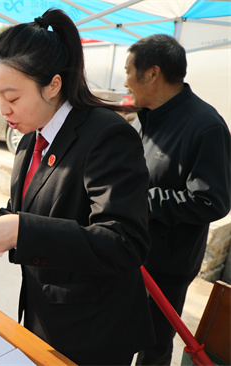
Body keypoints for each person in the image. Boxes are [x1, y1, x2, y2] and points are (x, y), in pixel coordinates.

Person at [0, 9, 155, 365]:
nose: (3, 110)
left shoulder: (106, 135)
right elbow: (22, 210)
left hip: (95, 326)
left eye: (12, 99)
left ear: (54, 85)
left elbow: (124, 242)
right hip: (46, 313)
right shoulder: (32, 135)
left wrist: (21, 231)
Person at [124, 34, 231, 366]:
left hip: (166, 265)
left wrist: (144, 200)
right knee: (116, 335)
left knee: (152, 346)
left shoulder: (205, 127)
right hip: (128, 251)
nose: (125, 81)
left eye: (129, 70)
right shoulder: (145, 117)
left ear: (153, 73)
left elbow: (212, 201)